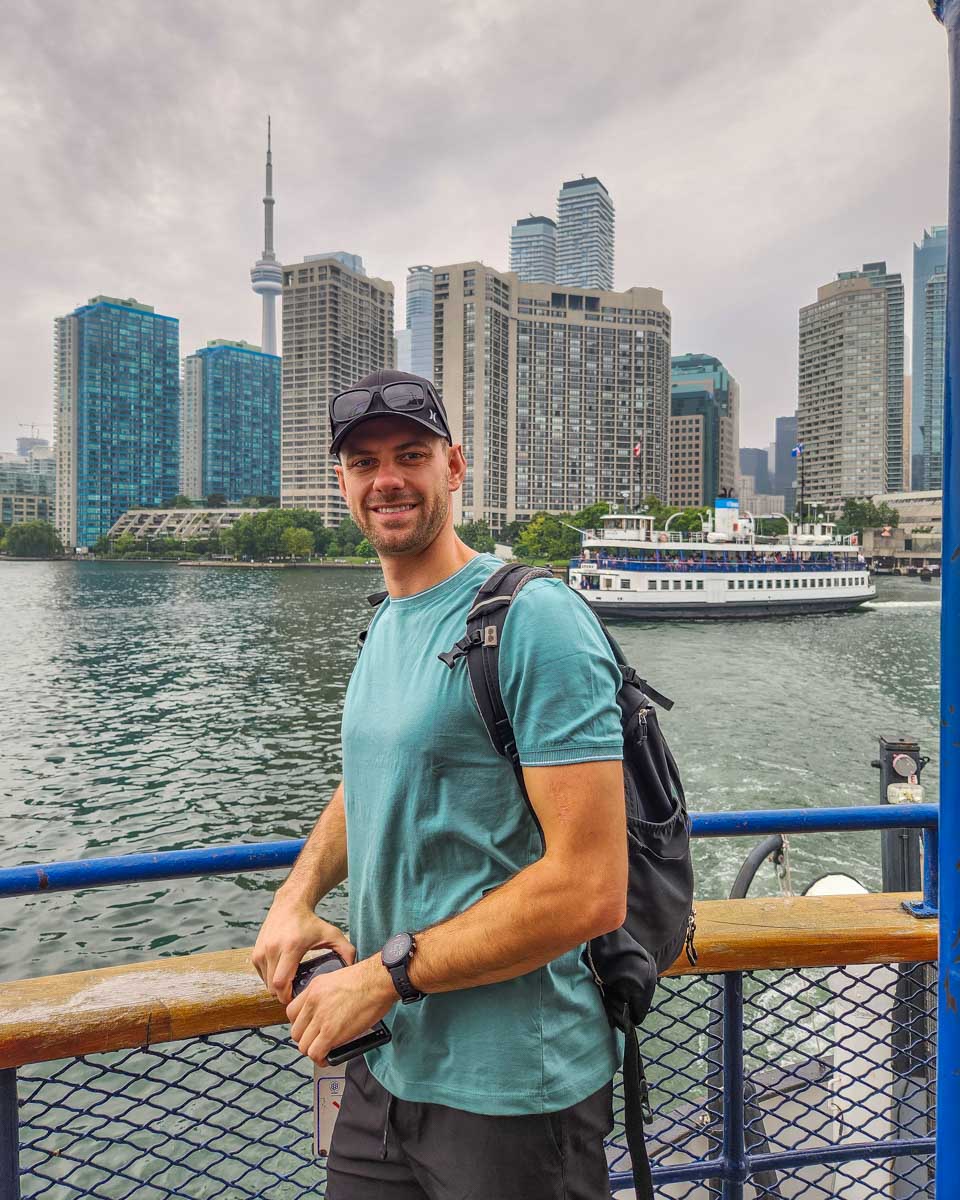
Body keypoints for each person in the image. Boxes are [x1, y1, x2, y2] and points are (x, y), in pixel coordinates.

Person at [252, 368, 627, 1200]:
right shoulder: (386, 624)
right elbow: (371, 780)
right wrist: (296, 895)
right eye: (364, 462)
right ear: (342, 485)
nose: (386, 479)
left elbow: (591, 887)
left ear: (454, 467)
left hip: (514, 1094)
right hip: (386, 1067)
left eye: (410, 455)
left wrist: (376, 978)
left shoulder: (535, 619)